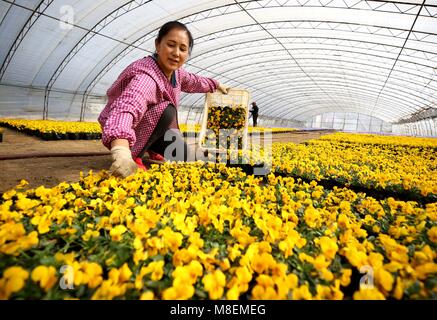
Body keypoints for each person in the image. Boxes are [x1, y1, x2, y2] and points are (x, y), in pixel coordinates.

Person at [98, 21, 230, 178]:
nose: (176, 53)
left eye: (182, 49)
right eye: (171, 45)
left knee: (183, 156)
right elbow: (127, 107)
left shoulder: (177, 74)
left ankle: (151, 147)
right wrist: (121, 151)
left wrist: (216, 84)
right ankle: (135, 154)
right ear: (157, 45)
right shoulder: (146, 76)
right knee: (167, 110)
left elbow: (194, 81)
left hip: (153, 127)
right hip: (127, 129)